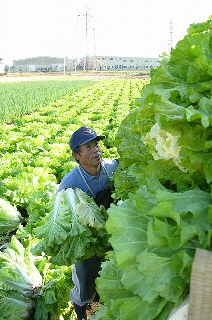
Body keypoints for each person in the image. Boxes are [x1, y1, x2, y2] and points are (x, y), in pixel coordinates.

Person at [58, 126, 119, 320]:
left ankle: (104, 305)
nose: (96, 150)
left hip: (113, 233)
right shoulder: (69, 184)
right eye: (89, 147)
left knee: (111, 272)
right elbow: (63, 220)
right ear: (76, 155)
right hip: (86, 242)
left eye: (96, 145)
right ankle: (83, 312)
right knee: (85, 281)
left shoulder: (112, 168)